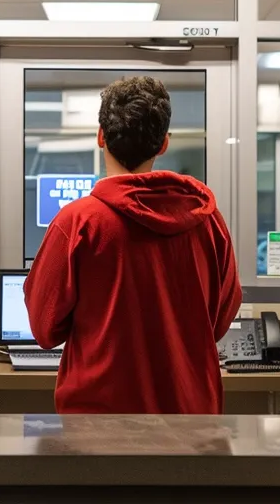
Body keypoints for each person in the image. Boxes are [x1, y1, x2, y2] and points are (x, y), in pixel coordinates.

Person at [25, 76, 243, 414]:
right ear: (163, 144)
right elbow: (218, 321)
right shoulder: (208, 221)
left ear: (101, 137)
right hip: (192, 419)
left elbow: (44, 329)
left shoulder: (77, 223)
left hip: (97, 424)